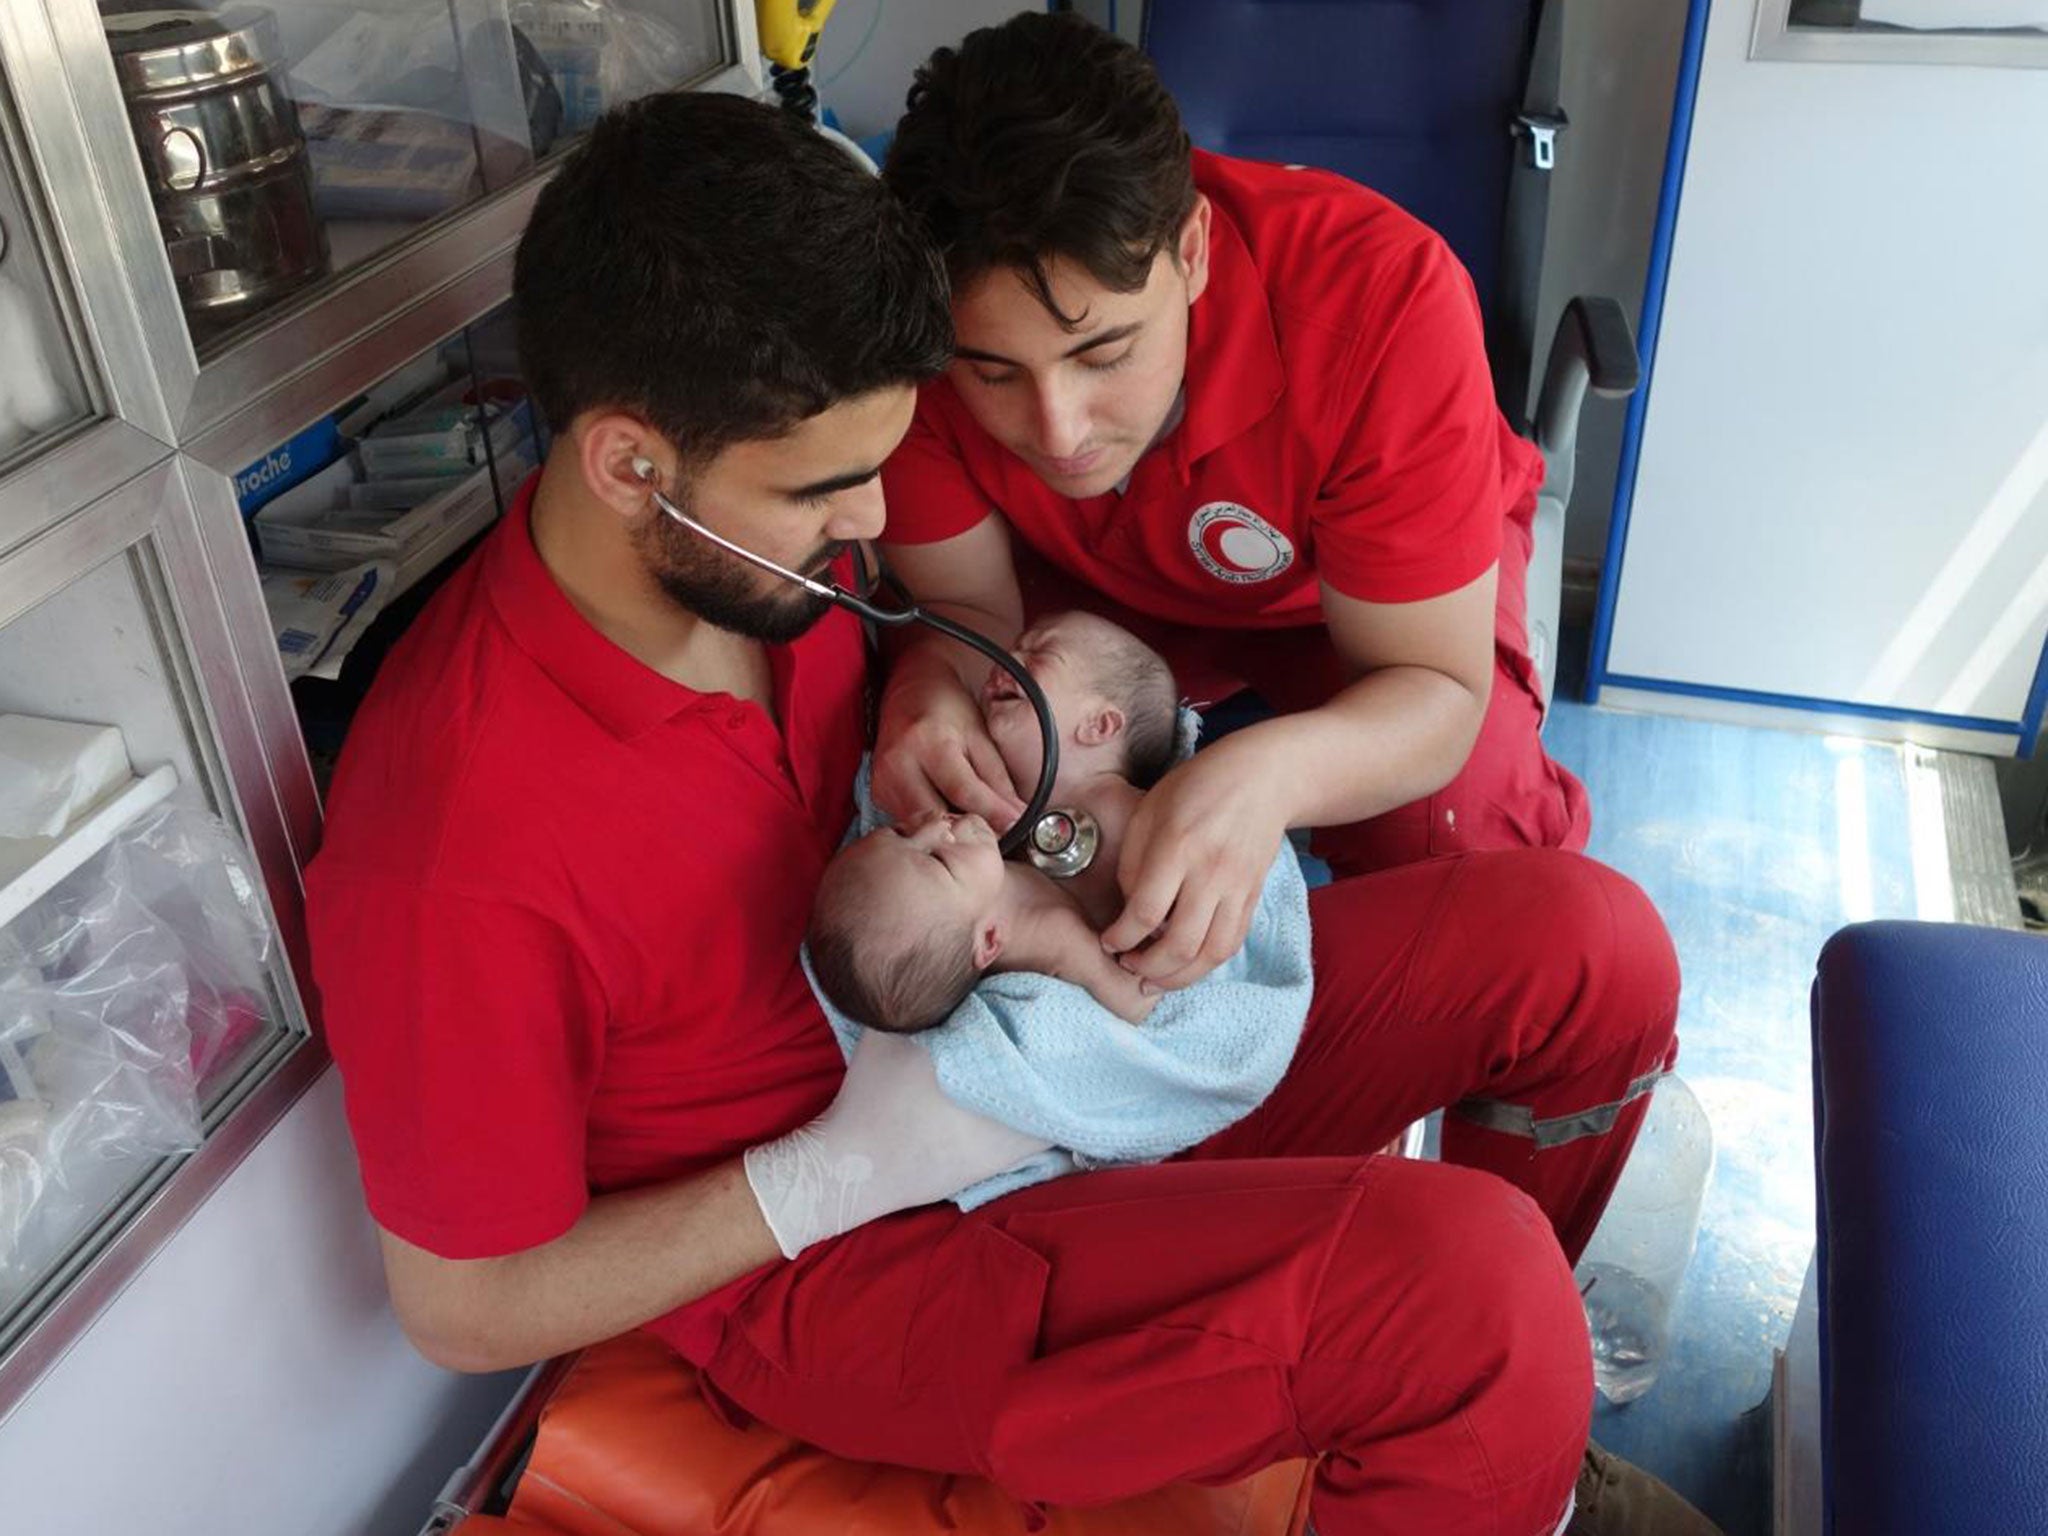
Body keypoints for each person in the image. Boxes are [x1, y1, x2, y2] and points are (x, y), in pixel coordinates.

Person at [301, 89, 1695, 1536]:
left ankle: (1503, 1448)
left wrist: (945, 706)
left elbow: (929, 707)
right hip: (865, 1248)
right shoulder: (455, 844)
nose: (871, 527)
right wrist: (825, 1176)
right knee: (1470, 1299)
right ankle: (1482, 1403)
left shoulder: (765, 575)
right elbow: (463, 1307)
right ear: (632, 464)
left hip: (1048, 1052)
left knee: (1586, 947)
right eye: (831, 489)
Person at [870, 13, 1711, 1532]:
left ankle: (1503, 1290)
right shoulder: (925, 342)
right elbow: (973, 638)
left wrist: (1258, 777)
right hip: (1093, 622)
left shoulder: (1376, 297)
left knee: (1471, 843)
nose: (1054, 428)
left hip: (1385, 612)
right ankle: (1206, 1189)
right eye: (993, 373)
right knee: (1031, 809)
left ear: (1190, 251)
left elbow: (1429, 689)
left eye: (1102, 353)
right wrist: (933, 700)